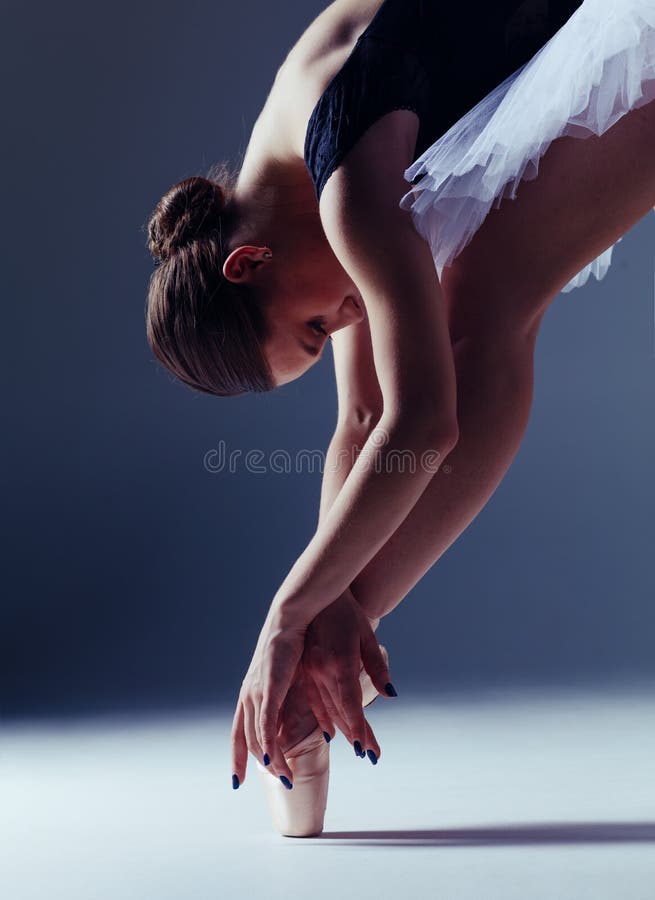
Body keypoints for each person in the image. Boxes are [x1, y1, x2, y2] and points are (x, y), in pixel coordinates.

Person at [144, 0, 655, 836]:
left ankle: (312, 683)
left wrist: (291, 616)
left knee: (485, 311)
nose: (341, 325)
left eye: (312, 328)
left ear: (248, 261)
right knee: (461, 311)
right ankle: (310, 696)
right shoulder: (298, 183)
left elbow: (423, 423)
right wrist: (326, 610)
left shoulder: (342, 186)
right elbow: (362, 419)